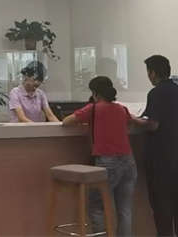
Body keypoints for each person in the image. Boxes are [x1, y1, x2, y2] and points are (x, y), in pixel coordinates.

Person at [63, 76, 150, 236]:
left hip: (107, 162)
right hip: (128, 161)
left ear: (95, 93)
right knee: (124, 210)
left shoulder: (93, 109)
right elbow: (134, 123)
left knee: (97, 206)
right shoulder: (122, 109)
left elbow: (66, 122)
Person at [141, 55, 178, 236]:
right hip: (176, 154)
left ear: (153, 73)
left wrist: (133, 120)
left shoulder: (155, 93)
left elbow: (153, 124)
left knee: (160, 203)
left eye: (148, 72)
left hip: (158, 156)